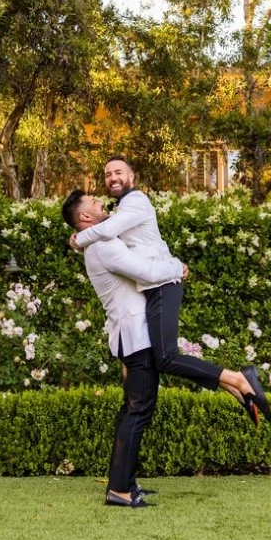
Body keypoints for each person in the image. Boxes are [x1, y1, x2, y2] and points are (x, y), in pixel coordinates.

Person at [69, 156, 271, 426]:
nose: (112, 178)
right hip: (155, 287)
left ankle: (238, 378)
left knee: (165, 357)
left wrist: (79, 238)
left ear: (133, 177)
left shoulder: (136, 201)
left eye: (119, 172)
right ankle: (234, 386)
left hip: (163, 284)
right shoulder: (121, 210)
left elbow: (109, 230)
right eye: (107, 174)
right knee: (162, 358)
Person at [62, 190, 184, 508]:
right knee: (138, 410)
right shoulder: (103, 244)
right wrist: (176, 269)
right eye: (94, 203)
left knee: (132, 410)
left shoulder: (95, 242)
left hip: (129, 335)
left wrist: (78, 239)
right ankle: (119, 490)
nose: (101, 203)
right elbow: (144, 272)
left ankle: (125, 482)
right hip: (135, 336)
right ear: (86, 217)